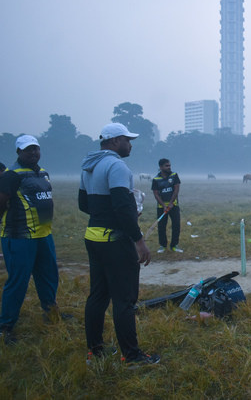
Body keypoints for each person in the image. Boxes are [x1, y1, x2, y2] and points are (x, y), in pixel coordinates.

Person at [79, 123, 159, 365]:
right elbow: (124, 210)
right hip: (115, 240)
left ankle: (96, 351)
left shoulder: (89, 166)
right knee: (124, 300)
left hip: (93, 236)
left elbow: (84, 205)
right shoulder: (117, 166)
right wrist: (139, 241)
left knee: (98, 297)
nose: (130, 144)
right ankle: (132, 356)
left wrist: (106, 214)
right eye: (127, 139)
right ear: (114, 141)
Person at [0, 135, 71, 344]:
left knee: (49, 276)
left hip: (44, 236)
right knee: (18, 281)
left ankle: (51, 313)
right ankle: (5, 326)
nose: (33, 153)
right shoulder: (11, 175)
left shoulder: (44, 173)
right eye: (27, 149)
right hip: (20, 237)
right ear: (18, 152)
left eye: (36, 149)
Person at [151, 158, 182, 253]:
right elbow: (156, 194)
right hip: (161, 207)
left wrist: (171, 203)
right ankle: (163, 246)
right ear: (161, 167)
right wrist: (164, 206)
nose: (169, 167)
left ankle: (174, 245)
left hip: (174, 205)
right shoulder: (156, 179)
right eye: (166, 166)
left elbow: (176, 189)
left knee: (176, 225)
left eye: (169, 165)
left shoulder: (174, 175)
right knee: (162, 226)